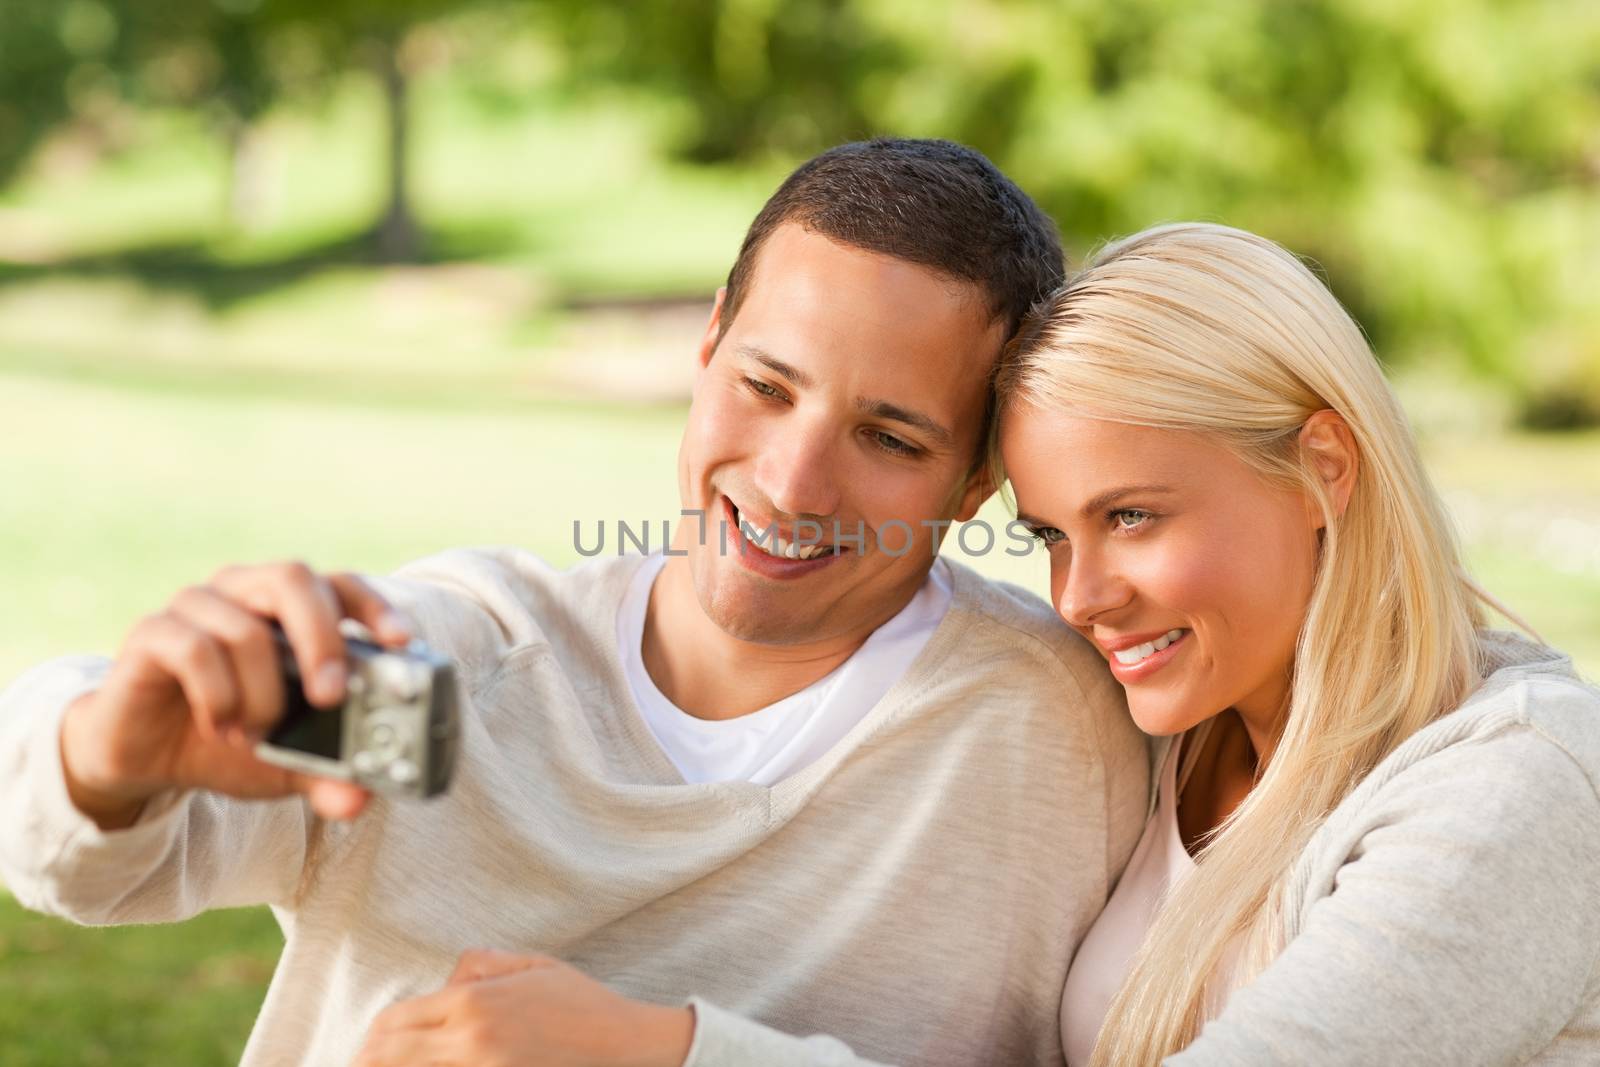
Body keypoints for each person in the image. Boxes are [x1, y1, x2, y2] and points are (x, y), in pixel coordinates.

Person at [0, 139, 1149, 1067]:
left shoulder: (1059, 729)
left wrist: (673, 1052)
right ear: (706, 343)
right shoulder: (466, 661)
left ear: (975, 481)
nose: (795, 483)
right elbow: (81, 862)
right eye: (764, 385)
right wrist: (105, 753)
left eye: (889, 436)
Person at [994, 222, 1600, 1065]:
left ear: (1322, 468)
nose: (1077, 597)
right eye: (1050, 535)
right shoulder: (1176, 741)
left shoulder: (1518, 785)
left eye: (1130, 516)